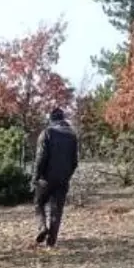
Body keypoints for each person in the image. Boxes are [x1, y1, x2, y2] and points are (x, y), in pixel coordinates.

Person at [33, 107, 80, 250]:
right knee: (57, 210)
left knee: (38, 203)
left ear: (51, 119)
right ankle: (51, 242)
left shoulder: (47, 133)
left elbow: (40, 158)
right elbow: (74, 161)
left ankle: (42, 227)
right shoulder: (72, 135)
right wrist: (67, 175)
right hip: (63, 179)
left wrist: (36, 176)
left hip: (46, 178)